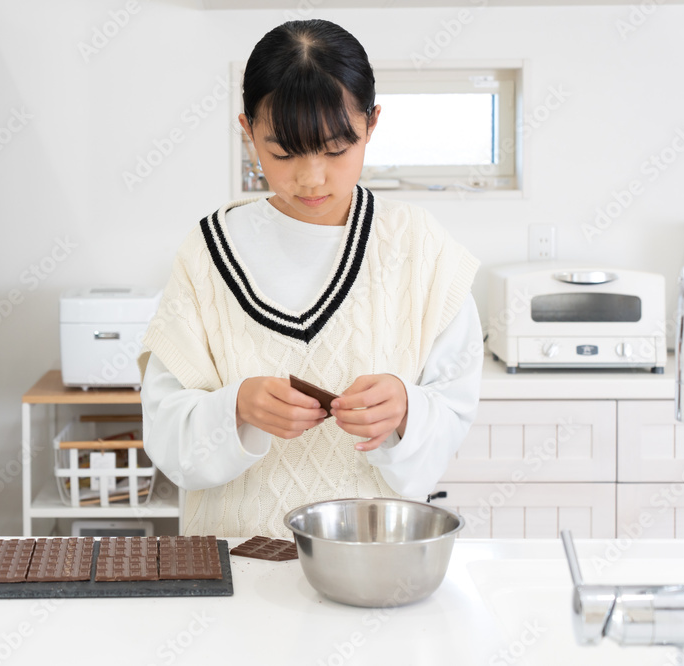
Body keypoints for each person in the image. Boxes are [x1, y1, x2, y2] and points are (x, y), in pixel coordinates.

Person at [137, 19, 482, 537]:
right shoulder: (206, 252)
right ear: (248, 131)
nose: (311, 178)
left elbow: (453, 415)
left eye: (336, 149)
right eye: (283, 152)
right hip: (233, 562)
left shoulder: (421, 248)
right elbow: (166, 434)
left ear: (371, 124)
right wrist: (236, 408)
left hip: (375, 558)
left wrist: (407, 410)